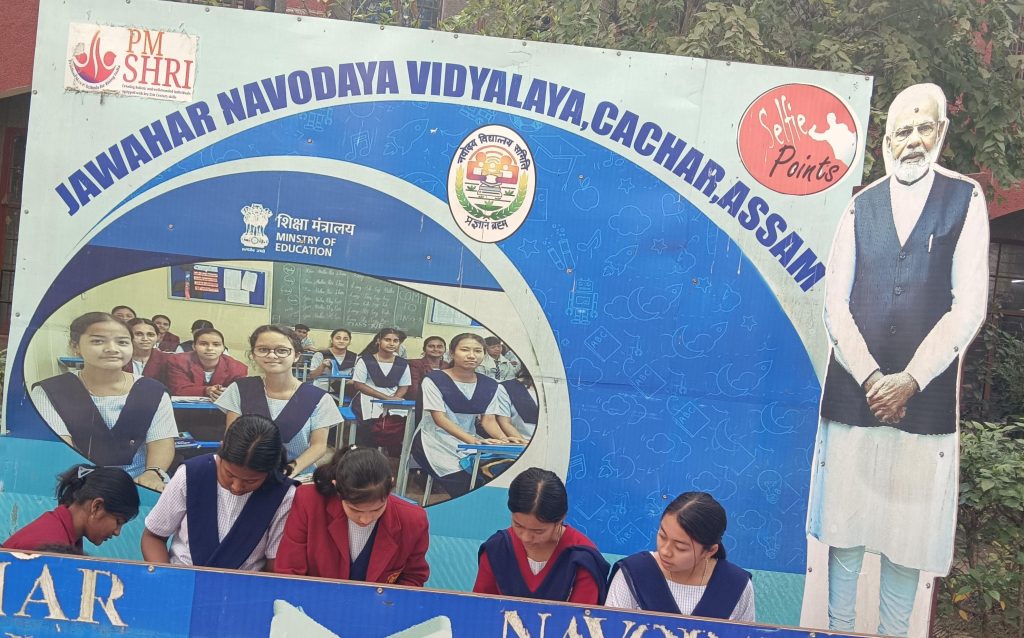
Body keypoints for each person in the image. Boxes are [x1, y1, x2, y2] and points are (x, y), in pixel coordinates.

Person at [807, 84, 989, 637]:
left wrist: (911, 379)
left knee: (906, 539)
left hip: (924, 404)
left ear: (941, 133)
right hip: (854, 397)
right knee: (845, 530)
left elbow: (969, 305)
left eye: (924, 128)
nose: (913, 141)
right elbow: (835, 304)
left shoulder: (964, 200)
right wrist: (871, 378)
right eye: (902, 131)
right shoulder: (860, 205)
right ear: (886, 142)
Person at [31, 312, 176, 491]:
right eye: (98, 341)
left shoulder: (153, 391)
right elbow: (62, 450)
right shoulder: (50, 391)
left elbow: (161, 441)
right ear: (75, 346)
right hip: (74, 483)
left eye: (122, 342)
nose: (112, 349)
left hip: (138, 484)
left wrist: (152, 473)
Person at [141, 415, 297, 571]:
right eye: (229, 474)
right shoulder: (191, 474)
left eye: (250, 481)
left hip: (244, 584)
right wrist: (168, 577)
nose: (236, 487)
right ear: (221, 450)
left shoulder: (283, 496)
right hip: (183, 578)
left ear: (270, 470)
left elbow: (275, 565)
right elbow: (154, 537)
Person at [274, 445, 430, 585]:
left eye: (377, 509)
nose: (365, 519)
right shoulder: (309, 503)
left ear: (390, 486)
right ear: (337, 488)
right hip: (313, 600)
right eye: (355, 510)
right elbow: (289, 571)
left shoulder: (413, 520)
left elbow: (413, 577)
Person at [606, 492, 755, 621]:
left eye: (680, 547)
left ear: (710, 551)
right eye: (662, 536)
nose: (665, 551)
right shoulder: (633, 574)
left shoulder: (736, 585)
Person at [216, 325, 340, 477]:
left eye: (282, 350)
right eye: (263, 349)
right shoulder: (239, 389)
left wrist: (289, 471)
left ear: (296, 355)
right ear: (253, 354)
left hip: (296, 475)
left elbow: (318, 446)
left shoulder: (318, 398)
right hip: (247, 474)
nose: (272, 355)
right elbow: (232, 438)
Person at [412, 333, 524, 498]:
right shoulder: (433, 380)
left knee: (501, 472)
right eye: (465, 350)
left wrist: (504, 440)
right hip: (433, 441)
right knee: (467, 483)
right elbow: (440, 419)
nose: (472, 356)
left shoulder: (490, 385)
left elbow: (488, 421)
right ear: (452, 353)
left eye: (478, 351)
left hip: (471, 441)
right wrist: (474, 442)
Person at [474, 467, 609, 603]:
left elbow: (581, 615)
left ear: (560, 519)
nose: (525, 537)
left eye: (538, 531)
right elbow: (480, 607)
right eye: (518, 525)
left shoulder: (582, 558)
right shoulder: (497, 549)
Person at [3, 464, 140, 553]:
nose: (117, 532)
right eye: (118, 521)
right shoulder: (47, 547)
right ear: (96, 507)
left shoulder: (64, 534)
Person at [351, 328, 412, 449]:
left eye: (395, 341)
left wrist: (394, 399)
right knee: (370, 429)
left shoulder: (402, 363)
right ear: (378, 341)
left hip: (393, 399)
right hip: (367, 398)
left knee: (400, 423)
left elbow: (404, 386)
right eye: (387, 340)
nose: (391, 343)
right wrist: (386, 398)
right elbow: (359, 385)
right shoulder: (365, 360)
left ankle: (391, 455)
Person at [166, 327, 247, 399]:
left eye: (216, 344)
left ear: (223, 348)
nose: (210, 348)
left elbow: (238, 393)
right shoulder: (178, 361)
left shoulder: (238, 368)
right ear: (194, 346)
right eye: (203, 344)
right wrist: (206, 390)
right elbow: (178, 389)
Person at [307, 328, 357, 395]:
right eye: (338, 338)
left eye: (345, 339)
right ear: (331, 340)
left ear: (349, 342)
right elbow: (312, 376)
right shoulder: (320, 354)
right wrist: (322, 366)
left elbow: (356, 377)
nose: (341, 341)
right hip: (323, 387)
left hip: (346, 387)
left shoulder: (355, 357)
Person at [123, 318, 170, 386]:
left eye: (150, 334)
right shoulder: (119, 358)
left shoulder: (168, 360)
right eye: (139, 334)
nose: (145, 339)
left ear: (158, 337)